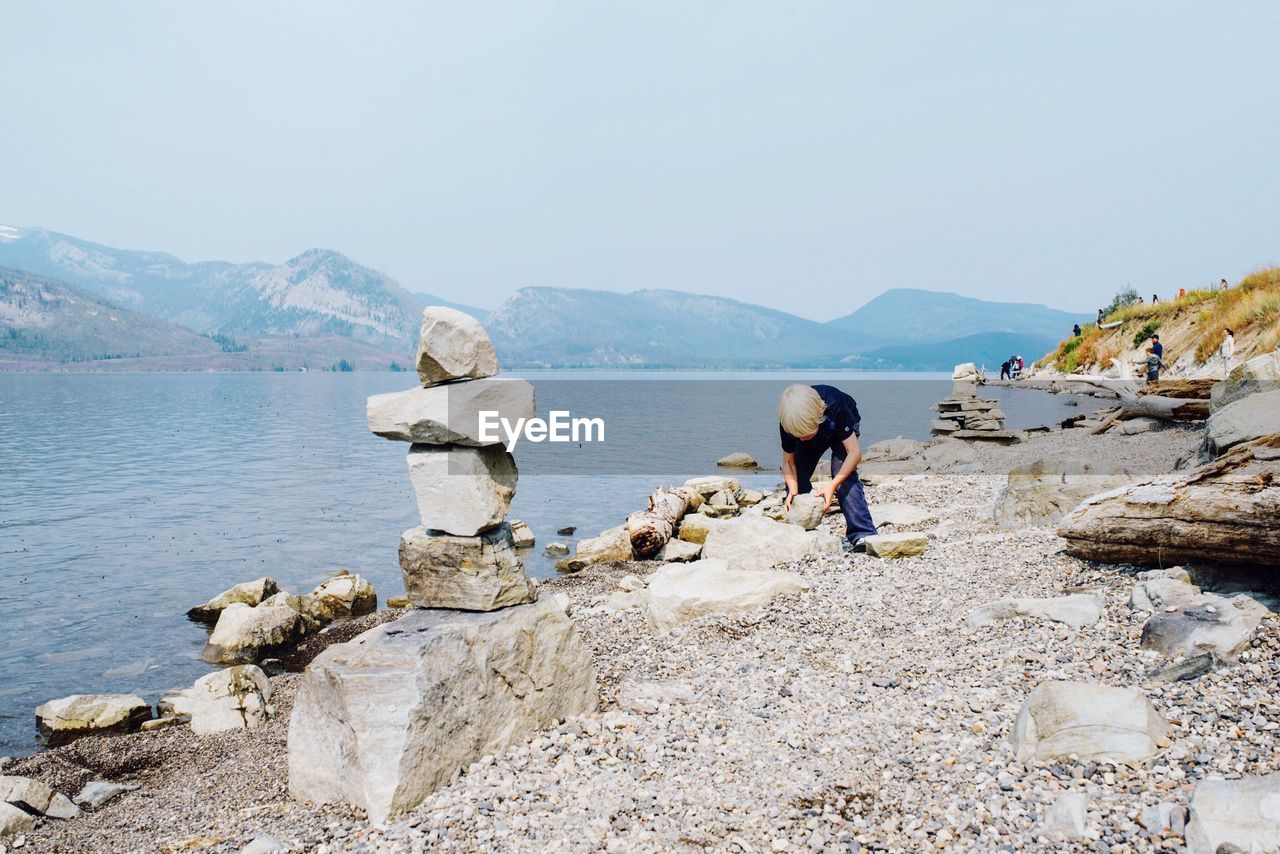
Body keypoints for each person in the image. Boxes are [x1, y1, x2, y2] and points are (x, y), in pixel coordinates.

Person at [778, 384, 877, 550]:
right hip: (812, 428)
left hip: (840, 427)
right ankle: (802, 530)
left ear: (820, 413)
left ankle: (862, 534)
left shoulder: (835, 404)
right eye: (798, 436)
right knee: (797, 478)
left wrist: (831, 486)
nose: (802, 439)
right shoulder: (789, 422)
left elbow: (854, 453)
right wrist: (793, 490)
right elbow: (788, 462)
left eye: (805, 434)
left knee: (843, 474)